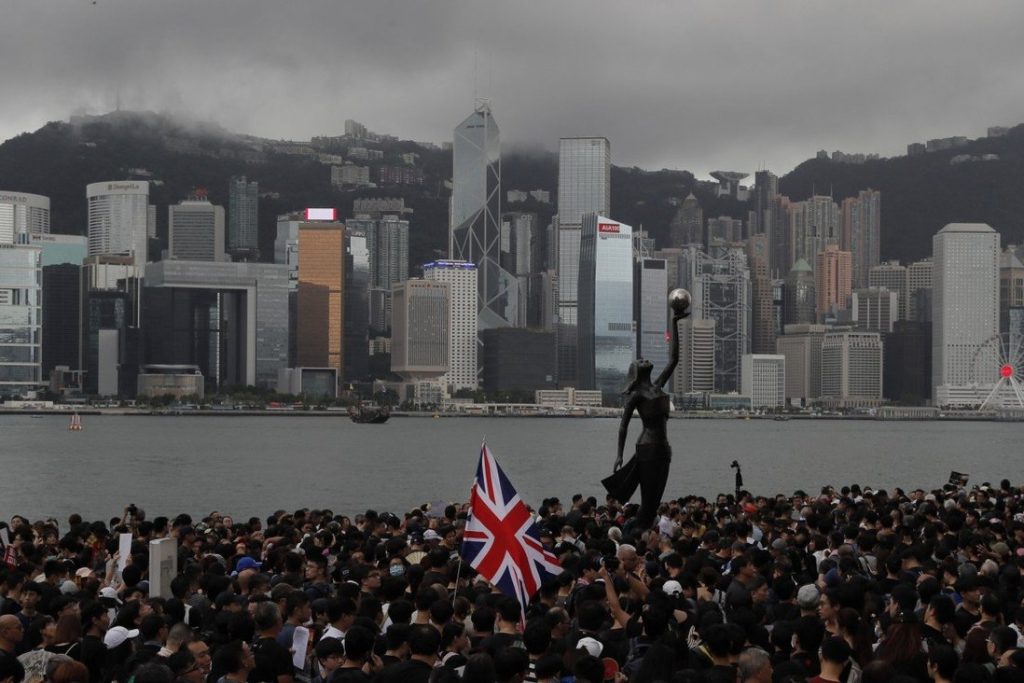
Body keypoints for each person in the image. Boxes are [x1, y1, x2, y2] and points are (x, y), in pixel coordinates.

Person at [605, 302, 687, 529]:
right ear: (636, 372)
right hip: (647, 448)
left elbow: (674, 359)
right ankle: (634, 534)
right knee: (649, 501)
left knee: (655, 499)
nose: (644, 360)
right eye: (639, 361)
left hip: (663, 448)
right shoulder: (637, 396)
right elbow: (623, 426)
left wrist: (674, 322)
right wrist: (620, 454)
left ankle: (638, 531)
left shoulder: (658, 386)